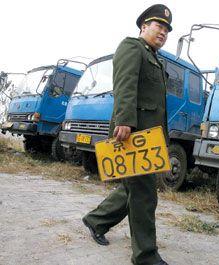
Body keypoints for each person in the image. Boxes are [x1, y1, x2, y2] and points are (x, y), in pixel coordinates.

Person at [82, 4, 172, 265]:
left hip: (149, 137)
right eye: (159, 26)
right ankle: (145, 255)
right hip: (132, 133)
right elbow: (125, 85)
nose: (163, 32)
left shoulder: (154, 57)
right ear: (144, 26)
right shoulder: (132, 47)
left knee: (133, 188)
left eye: (167, 29)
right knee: (144, 194)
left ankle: (96, 220)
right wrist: (124, 120)